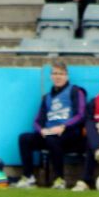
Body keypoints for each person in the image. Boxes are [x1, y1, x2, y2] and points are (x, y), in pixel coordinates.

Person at [14, 61, 87, 189]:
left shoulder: (75, 91)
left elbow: (81, 115)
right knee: (24, 138)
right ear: (51, 76)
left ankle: (59, 179)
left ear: (66, 76)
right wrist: (41, 130)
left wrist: (64, 126)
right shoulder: (46, 97)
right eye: (55, 73)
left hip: (69, 134)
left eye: (61, 73)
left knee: (53, 139)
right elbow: (37, 121)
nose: (58, 76)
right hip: (49, 134)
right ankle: (28, 177)